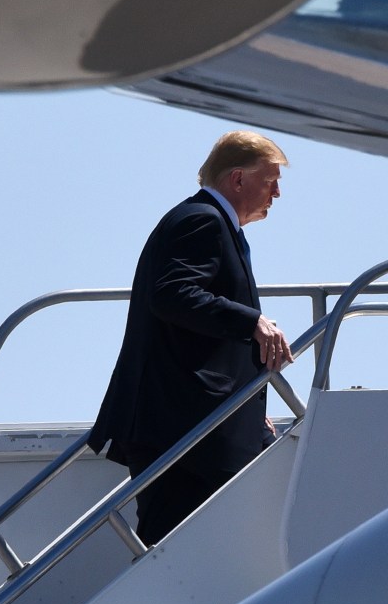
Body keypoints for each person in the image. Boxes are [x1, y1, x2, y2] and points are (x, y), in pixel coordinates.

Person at [87, 130, 294, 546]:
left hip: (191, 426)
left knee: (193, 550)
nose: (277, 193)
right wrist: (253, 322)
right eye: (271, 181)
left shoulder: (214, 224)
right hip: (179, 430)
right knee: (175, 553)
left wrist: (246, 411)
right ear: (238, 180)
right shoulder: (202, 220)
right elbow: (173, 294)